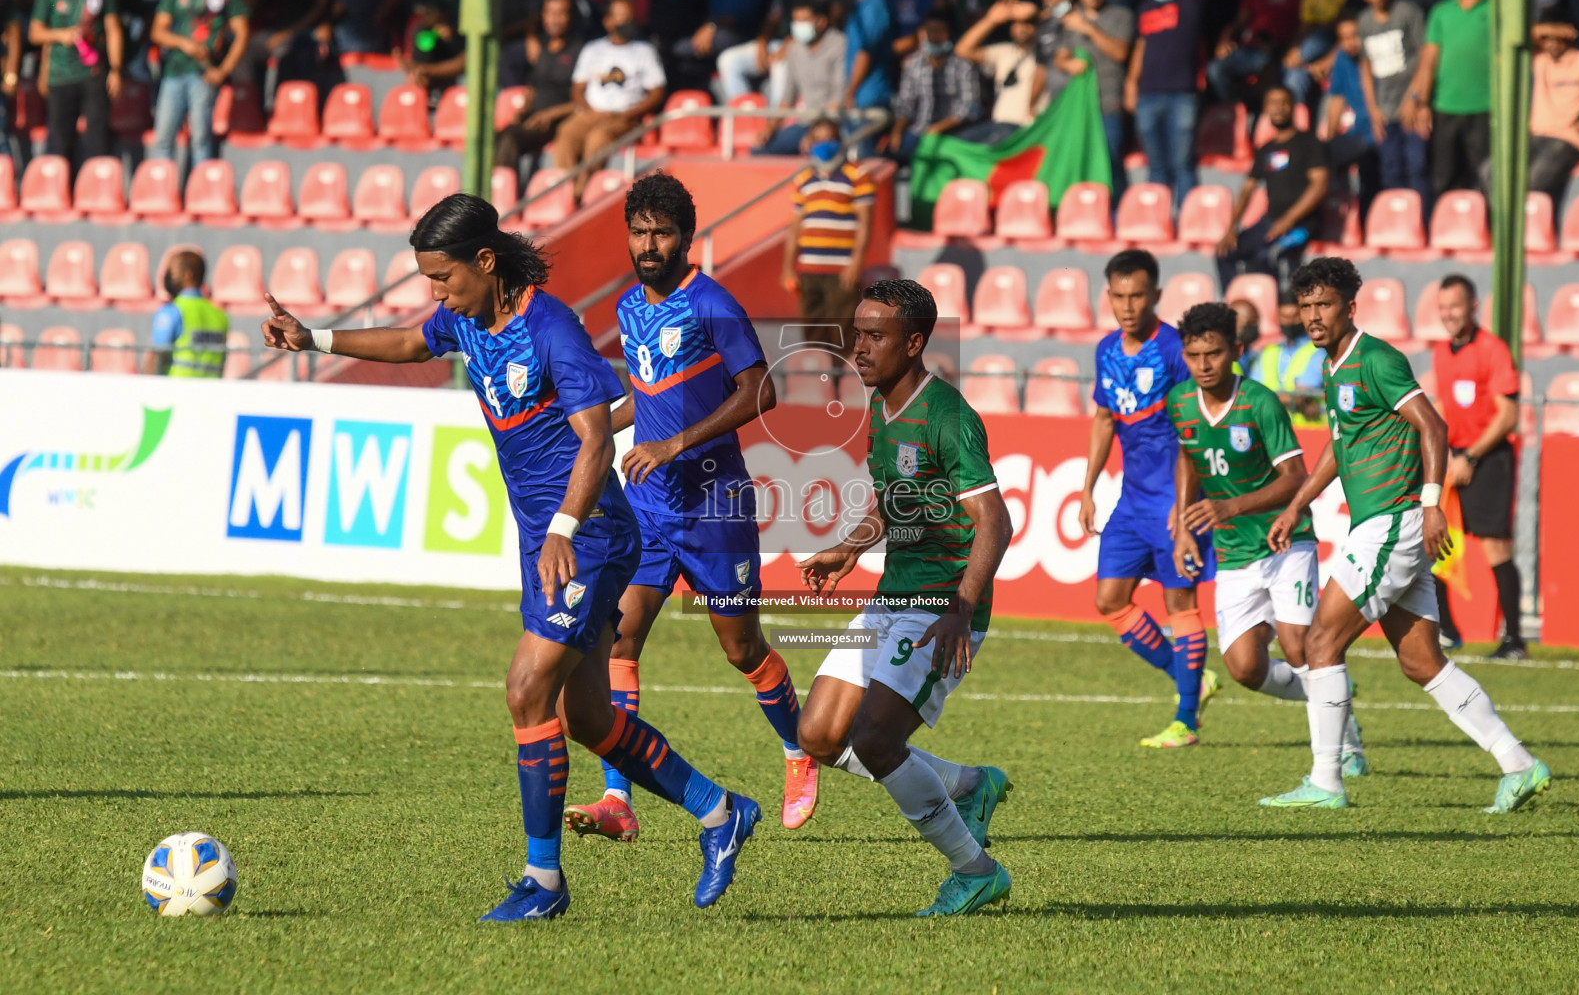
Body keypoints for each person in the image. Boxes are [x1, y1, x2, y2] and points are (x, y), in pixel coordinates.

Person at [259, 193, 763, 919]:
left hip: (585, 537)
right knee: (588, 716)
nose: (436, 293)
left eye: (443, 277)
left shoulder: (552, 328)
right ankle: (721, 814)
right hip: (547, 542)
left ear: (485, 262)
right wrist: (314, 339)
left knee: (528, 688)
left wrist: (561, 527)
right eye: (429, 280)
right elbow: (410, 343)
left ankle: (544, 883)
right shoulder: (468, 318)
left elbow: (596, 440)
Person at [562, 173, 820, 839]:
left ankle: (797, 750)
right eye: (639, 232)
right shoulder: (627, 308)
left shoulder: (713, 304)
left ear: (686, 237)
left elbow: (761, 392)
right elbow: (646, 396)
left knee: (741, 649)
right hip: (649, 507)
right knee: (619, 636)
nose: (649, 245)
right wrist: (596, 430)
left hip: (715, 505)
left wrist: (675, 441)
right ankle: (619, 798)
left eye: (662, 232)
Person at [1264, 257, 1550, 812]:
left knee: (1320, 642)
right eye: (1305, 306)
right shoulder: (1332, 365)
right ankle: (1519, 763)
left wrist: (1431, 502)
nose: (1313, 316)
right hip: (1383, 525)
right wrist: (1298, 501)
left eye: (1323, 304)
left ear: (1349, 307)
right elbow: (1339, 444)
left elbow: (1433, 426)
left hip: (1391, 524)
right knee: (1421, 661)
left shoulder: (1375, 358)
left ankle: (1326, 781)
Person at [795, 277, 1015, 917]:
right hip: (893, 595)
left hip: (942, 606)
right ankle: (967, 784)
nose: (858, 348)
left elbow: (995, 523)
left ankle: (974, 871)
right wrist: (852, 545)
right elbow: (894, 505)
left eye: (875, 336)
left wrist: (963, 605)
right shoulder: (878, 409)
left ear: (914, 342)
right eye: (855, 333)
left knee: (875, 739)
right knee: (818, 734)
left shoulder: (947, 416)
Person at [1167, 303, 1368, 783]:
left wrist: (1229, 507)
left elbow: (1294, 478)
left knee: (1301, 648)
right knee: (1243, 668)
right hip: (1234, 552)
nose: (1204, 364)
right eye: (1194, 355)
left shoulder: (1259, 402)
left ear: (1235, 351)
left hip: (1285, 543)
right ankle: (1336, 697)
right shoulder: (1180, 403)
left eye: (1213, 353)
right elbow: (1189, 456)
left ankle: (1343, 746)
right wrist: (1181, 527)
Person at [1078, 249, 1220, 749]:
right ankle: (1193, 680)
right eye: (1119, 296)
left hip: (1175, 500)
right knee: (1110, 600)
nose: (1127, 305)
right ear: (1109, 296)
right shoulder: (1105, 350)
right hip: (1132, 499)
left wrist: (1184, 511)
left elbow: (1194, 428)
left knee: (1178, 599)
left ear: (1156, 295)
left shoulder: (1177, 350)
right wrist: (1088, 487)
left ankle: (1187, 719)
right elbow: (1103, 420)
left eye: (1138, 295)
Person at [1429, 275, 1527, 661]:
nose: (1448, 314)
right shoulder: (1440, 352)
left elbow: (1508, 415)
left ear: (1473, 306)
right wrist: (1446, 455)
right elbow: (1443, 407)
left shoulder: (1493, 349)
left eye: (1455, 306)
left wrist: (1470, 456)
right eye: (1443, 308)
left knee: (1495, 546)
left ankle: (1514, 639)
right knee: (1438, 543)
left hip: (1489, 458)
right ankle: (1447, 631)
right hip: (1454, 457)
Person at [1217, 86, 1327, 294]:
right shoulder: (1266, 149)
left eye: (1283, 102)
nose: (1278, 108)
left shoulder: (1309, 143)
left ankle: (1275, 313)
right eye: (1272, 103)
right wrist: (1231, 228)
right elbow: (1247, 190)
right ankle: (1234, 309)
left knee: (1270, 255)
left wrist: (1290, 218)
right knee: (1225, 252)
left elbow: (1319, 185)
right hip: (1270, 222)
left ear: (1293, 106)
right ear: (1266, 108)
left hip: (1302, 225)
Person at [1480, 22, 1579, 202]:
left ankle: (1529, 226)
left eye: (1558, 39)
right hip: (1535, 135)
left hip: (1568, 139)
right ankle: (1501, 227)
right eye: (1546, 39)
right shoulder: (1539, 60)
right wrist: (1549, 29)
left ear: (1568, 37)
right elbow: (1513, 40)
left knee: (1533, 180)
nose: (1552, 44)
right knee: (1488, 171)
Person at [554, 0, 666, 194]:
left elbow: (657, 92)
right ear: (608, 21)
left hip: (625, 117)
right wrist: (590, 111)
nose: (627, 22)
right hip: (593, 112)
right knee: (567, 132)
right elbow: (577, 88)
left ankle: (581, 193)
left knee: (598, 138)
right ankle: (563, 192)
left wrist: (631, 113)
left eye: (630, 17)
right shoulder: (592, 49)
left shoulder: (644, 51)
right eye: (621, 17)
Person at [782, 119, 876, 343]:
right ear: (810, 142)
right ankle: (816, 378)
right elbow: (795, 227)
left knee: (841, 336)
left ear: (840, 141)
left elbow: (865, 223)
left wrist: (856, 263)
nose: (824, 144)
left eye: (829, 139)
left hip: (841, 271)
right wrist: (787, 268)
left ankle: (842, 379)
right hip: (808, 270)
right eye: (818, 139)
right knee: (812, 336)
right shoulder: (804, 178)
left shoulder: (858, 174)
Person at [1127, 0, 1213, 213]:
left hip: (1181, 93)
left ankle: (1188, 218)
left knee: (1182, 162)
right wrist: (1131, 82)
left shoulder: (1188, 1)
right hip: (1147, 93)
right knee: (1155, 164)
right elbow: (1141, 45)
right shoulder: (1144, 5)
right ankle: (1157, 218)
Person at [150, 0, 250, 178]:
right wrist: (183, 43)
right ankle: (160, 191)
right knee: (163, 137)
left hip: (205, 73)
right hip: (174, 71)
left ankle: (202, 191)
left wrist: (224, 69)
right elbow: (157, 31)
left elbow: (242, 32)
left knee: (201, 138)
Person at [1406, 0, 1492, 199]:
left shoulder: (1495, 9)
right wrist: (1422, 102)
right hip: (1446, 106)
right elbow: (1428, 60)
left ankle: (1488, 231)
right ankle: (1445, 229)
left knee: (1485, 176)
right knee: (1444, 177)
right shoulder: (1441, 12)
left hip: (1484, 106)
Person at [29, 0, 122, 165]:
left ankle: (98, 191)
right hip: (60, 75)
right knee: (60, 144)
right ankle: (61, 191)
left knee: (98, 141)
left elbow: (113, 29)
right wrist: (61, 35)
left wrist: (116, 70)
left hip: (93, 74)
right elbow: (36, 33)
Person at [1055, 0, 1135, 194]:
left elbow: (1120, 53)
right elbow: (1060, 56)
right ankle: (1087, 212)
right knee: (1080, 159)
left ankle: (1118, 213)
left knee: (1110, 158)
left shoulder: (1121, 15)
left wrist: (1089, 28)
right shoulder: (1070, 19)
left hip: (1109, 102)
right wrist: (1067, 63)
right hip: (1080, 107)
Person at [1357, 0, 1428, 207]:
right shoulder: (1364, 22)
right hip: (1385, 109)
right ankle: (1399, 226)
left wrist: (1415, 98)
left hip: (1412, 106)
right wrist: (1373, 110)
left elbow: (1425, 56)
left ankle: (1423, 225)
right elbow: (1365, 67)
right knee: (1390, 170)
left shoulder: (1407, 11)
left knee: (1417, 166)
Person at [495, 0, 584, 177]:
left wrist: (551, 114)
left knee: (510, 139)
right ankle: (498, 192)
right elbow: (533, 85)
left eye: (561, 13)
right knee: (495, 138)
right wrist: (524, 108)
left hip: (560, 121)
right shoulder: (541, 47)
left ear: (570, 16)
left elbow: (586, 101)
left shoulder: (581, 50)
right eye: (550, 13)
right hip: (534, 118)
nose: (555, 19)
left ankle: (504, 198)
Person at [754, 0, 848, 155]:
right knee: (759, 151)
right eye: (796, 20)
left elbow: (839, 96)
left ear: (821, 21)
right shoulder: (795, 49)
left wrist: (816, 133)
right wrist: (770, 129)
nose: (799, 26)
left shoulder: (840, 44)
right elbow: (787, 98)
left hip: (834, 125)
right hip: (806, 123)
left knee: (822, 152)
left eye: (804, 20)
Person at [883, 12, 981, 162]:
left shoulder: (963, 66)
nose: (935, 36)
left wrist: (939, 128)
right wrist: (896, 131)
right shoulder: (913, 65)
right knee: (891, 152)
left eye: (940, 31)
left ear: (948, 33)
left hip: (955, 133)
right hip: (920, 132)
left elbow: (970, 107)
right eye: (931, 30)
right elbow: (905, 105)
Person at [1206, 0, 1309, 106]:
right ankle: (1236, 112)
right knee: (1215, 69)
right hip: (1252, 49)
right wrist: (1226, 41)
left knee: (1291, 77)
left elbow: (1306, 25)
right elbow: (1241, 21)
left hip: (1286, 51)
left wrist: (1289, 47)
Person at [953, 0, 1040, 144]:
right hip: (998, 125)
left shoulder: (1048, 53)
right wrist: (991, 20)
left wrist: (1035, 12)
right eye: (1017, 23)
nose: (1022, 27)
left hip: (1028, 129)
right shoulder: (1004, 52)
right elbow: (962, 50)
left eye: (1029, 23)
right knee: (954, 145)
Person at [144, 250, 228, 378]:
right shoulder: (220, 315)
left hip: (176, 392)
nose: (167, 276)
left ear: (187, 275)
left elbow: (156, 358)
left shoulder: (171, 311)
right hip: (210, 393)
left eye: (172, 271)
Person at [1325, 17, 1380, 211]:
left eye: (1355, 36)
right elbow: (1337, 98)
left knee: (1372, 172)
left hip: (1381, 131)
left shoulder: (1377, 55)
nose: (1351, 42)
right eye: (1345, 38)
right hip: (1359, 133)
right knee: (1323, 157)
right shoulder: (1341, 58)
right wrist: (1330, 138)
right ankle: (1339, 213)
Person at [1255, 292, 1326, 427]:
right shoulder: (1269, 352)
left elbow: (1300, 397)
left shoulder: (1318, 351)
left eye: (1294, 317)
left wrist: (1264, 399)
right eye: (1284, 317)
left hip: (1307, 432)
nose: (1289, 322)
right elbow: (1252, 392)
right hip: (1271, 430)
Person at [843, 0, 896, 124]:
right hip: (859, 98)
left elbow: (865, 53)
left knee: (864, 148)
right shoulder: (861, 6)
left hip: (870, 98)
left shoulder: (874, 7)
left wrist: (850, 92)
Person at [1231, 298, 1261, 376]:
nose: (1254, 327)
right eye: (1249, 323)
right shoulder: (1226, 357)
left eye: (1256, 322)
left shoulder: (1252, 355)